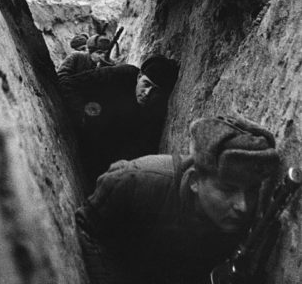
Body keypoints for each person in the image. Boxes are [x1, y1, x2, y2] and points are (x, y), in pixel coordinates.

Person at [76, 115, 280, 284]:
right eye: (228, 190)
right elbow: (88, 229)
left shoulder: (249, 219)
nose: (243, 206)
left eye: (252, 191)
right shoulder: (134, 181)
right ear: (194, 181)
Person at [59, 54, 179, 183]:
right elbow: (68, 84)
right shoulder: (123, 75)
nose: (147, 93)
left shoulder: (155, 112)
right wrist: (80, 118)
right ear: (139, 77)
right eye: (146, 84)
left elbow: (141, 151)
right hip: (87, 115)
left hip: (102, 148)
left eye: (156, 91)